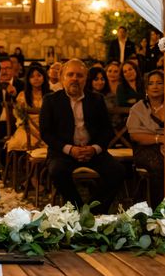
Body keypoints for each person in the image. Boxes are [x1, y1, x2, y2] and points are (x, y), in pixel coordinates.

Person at [40, 59, 125, 214]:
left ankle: (93, 211)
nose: (74, 78)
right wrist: (70, 149)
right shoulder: (51, 100)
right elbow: (46, 133)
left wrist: (94, 149)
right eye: (70, 75)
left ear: (85, 79)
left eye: (79, 75)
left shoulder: (97, 99)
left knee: (118, 171)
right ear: (62, 78)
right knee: (57, 171)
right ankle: (78, 210)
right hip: (63, 153)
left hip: (91, 151)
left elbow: (107, 130)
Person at [127, 70, 165, 207]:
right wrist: (158, 139)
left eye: (159, 83)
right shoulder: (138, 108)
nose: (155, 86)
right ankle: (159, 210)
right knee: (159, 165)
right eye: (151, 83)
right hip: (144, 149)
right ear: (146, 88)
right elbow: (134, 135)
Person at [5, 63, 50, 152]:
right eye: (32, 77)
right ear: (28, 80)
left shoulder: (51, 95)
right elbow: (18, 116)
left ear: (44, 77)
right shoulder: (23, 96)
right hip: (28, 129)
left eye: (39, 75)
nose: (36, 78)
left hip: (47, 128)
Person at [0, 55, 23, 166]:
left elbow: (23, 106)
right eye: (1, 69)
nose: (4, 72)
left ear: (13, 69)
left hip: (17, 123)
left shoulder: (21, 85)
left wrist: (14, 95)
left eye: (7, 68)